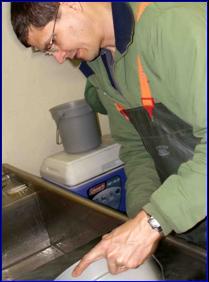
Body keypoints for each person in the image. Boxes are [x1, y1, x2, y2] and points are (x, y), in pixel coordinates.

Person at [11, 2, 206, 277]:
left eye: (53, 41)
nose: (58, 57)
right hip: (188, 208)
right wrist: (140, 218)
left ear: (72, 4)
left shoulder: (174, 25)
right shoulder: (100, 68)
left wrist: (152, 222)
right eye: (48, 51)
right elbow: (136, 149)